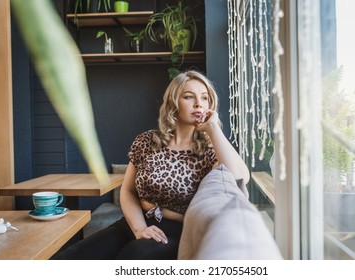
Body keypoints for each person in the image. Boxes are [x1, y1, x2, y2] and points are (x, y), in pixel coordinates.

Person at [51, 70, 249, 260]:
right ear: (173, 103)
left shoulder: (209, 147)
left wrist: (213, 128)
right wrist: (139, 228)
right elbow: (127, 191)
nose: (199, 104)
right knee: (69, 259)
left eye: (205, 98)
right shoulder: (147, 140)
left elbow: (239, 178)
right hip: (134, 223)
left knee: (133, 258)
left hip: (176, 233)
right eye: (189, 97)